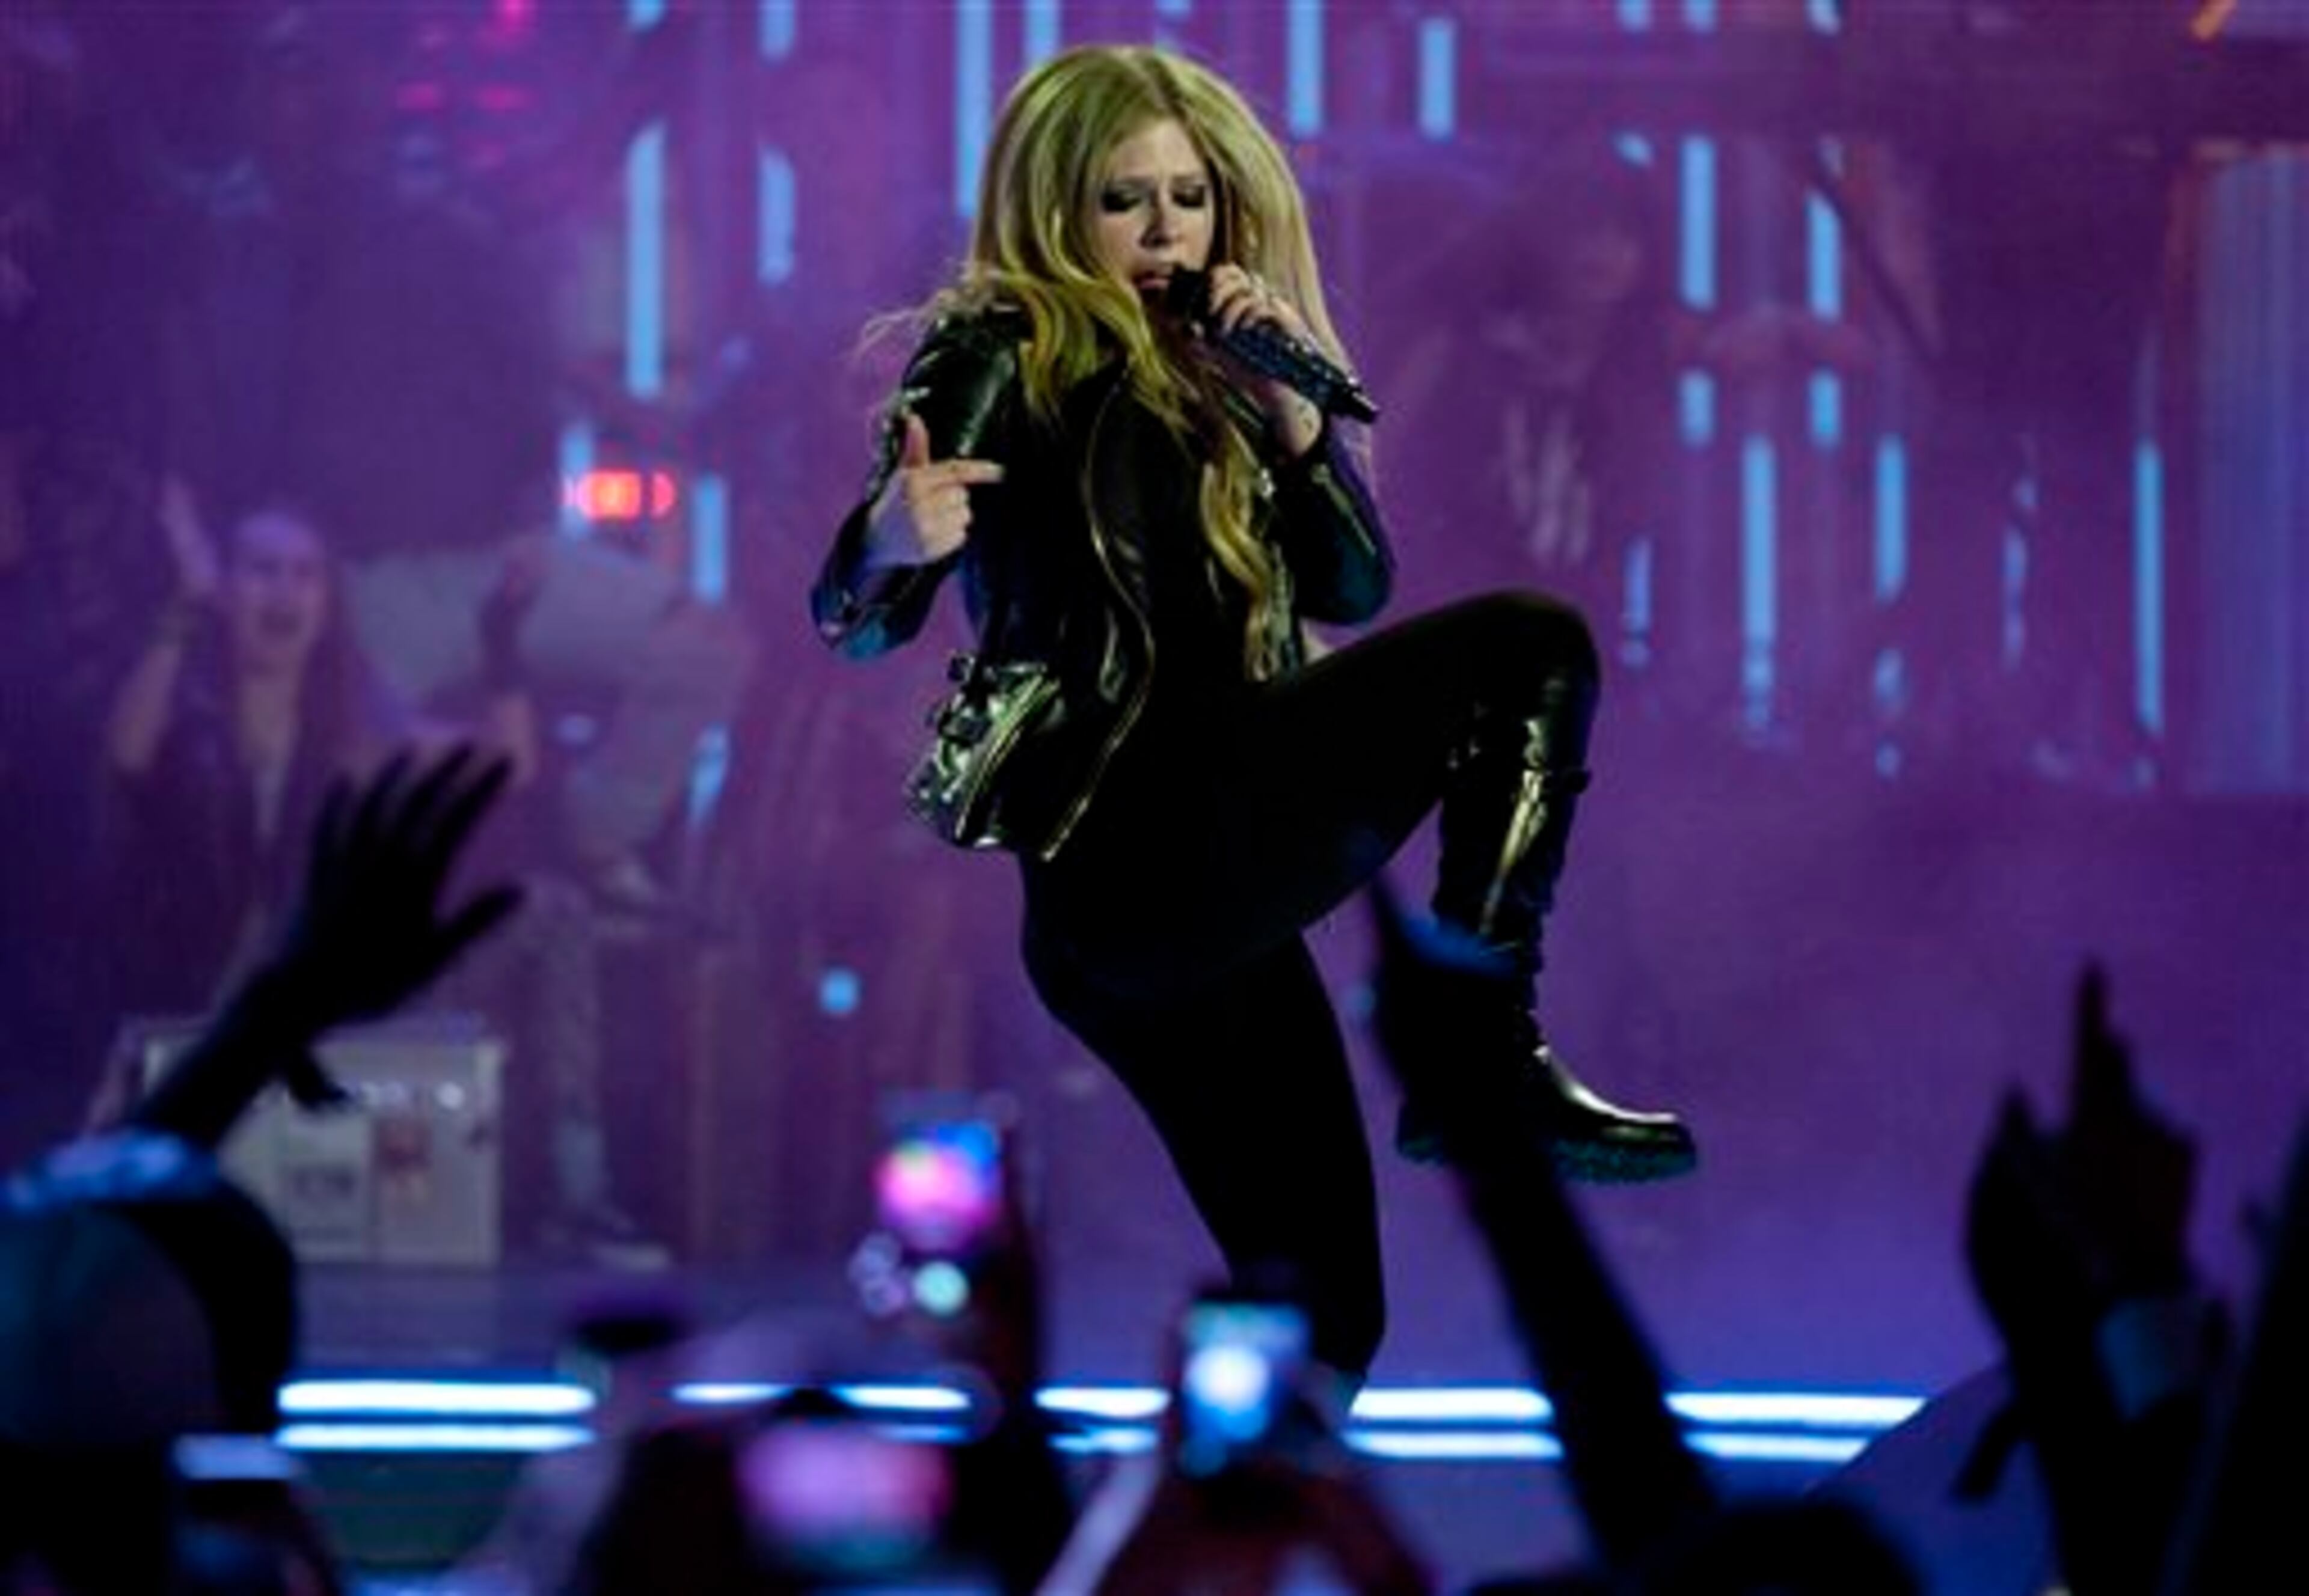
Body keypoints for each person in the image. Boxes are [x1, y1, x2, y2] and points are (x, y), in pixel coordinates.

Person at [812, 44, 1693, 1393]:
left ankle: (1201, 1538)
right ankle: (1476, 1056)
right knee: (1530, 644)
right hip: (1135, 848)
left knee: (1329, 1313)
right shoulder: (1001, 345)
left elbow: (1354, 583)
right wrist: (882, 542)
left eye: (1190, 198)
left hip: (1207, 879)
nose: (1167, 230)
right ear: (1059, 205)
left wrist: (1294, 425)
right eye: (1128, 199)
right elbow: (863, 616)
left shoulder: (1229, 364)